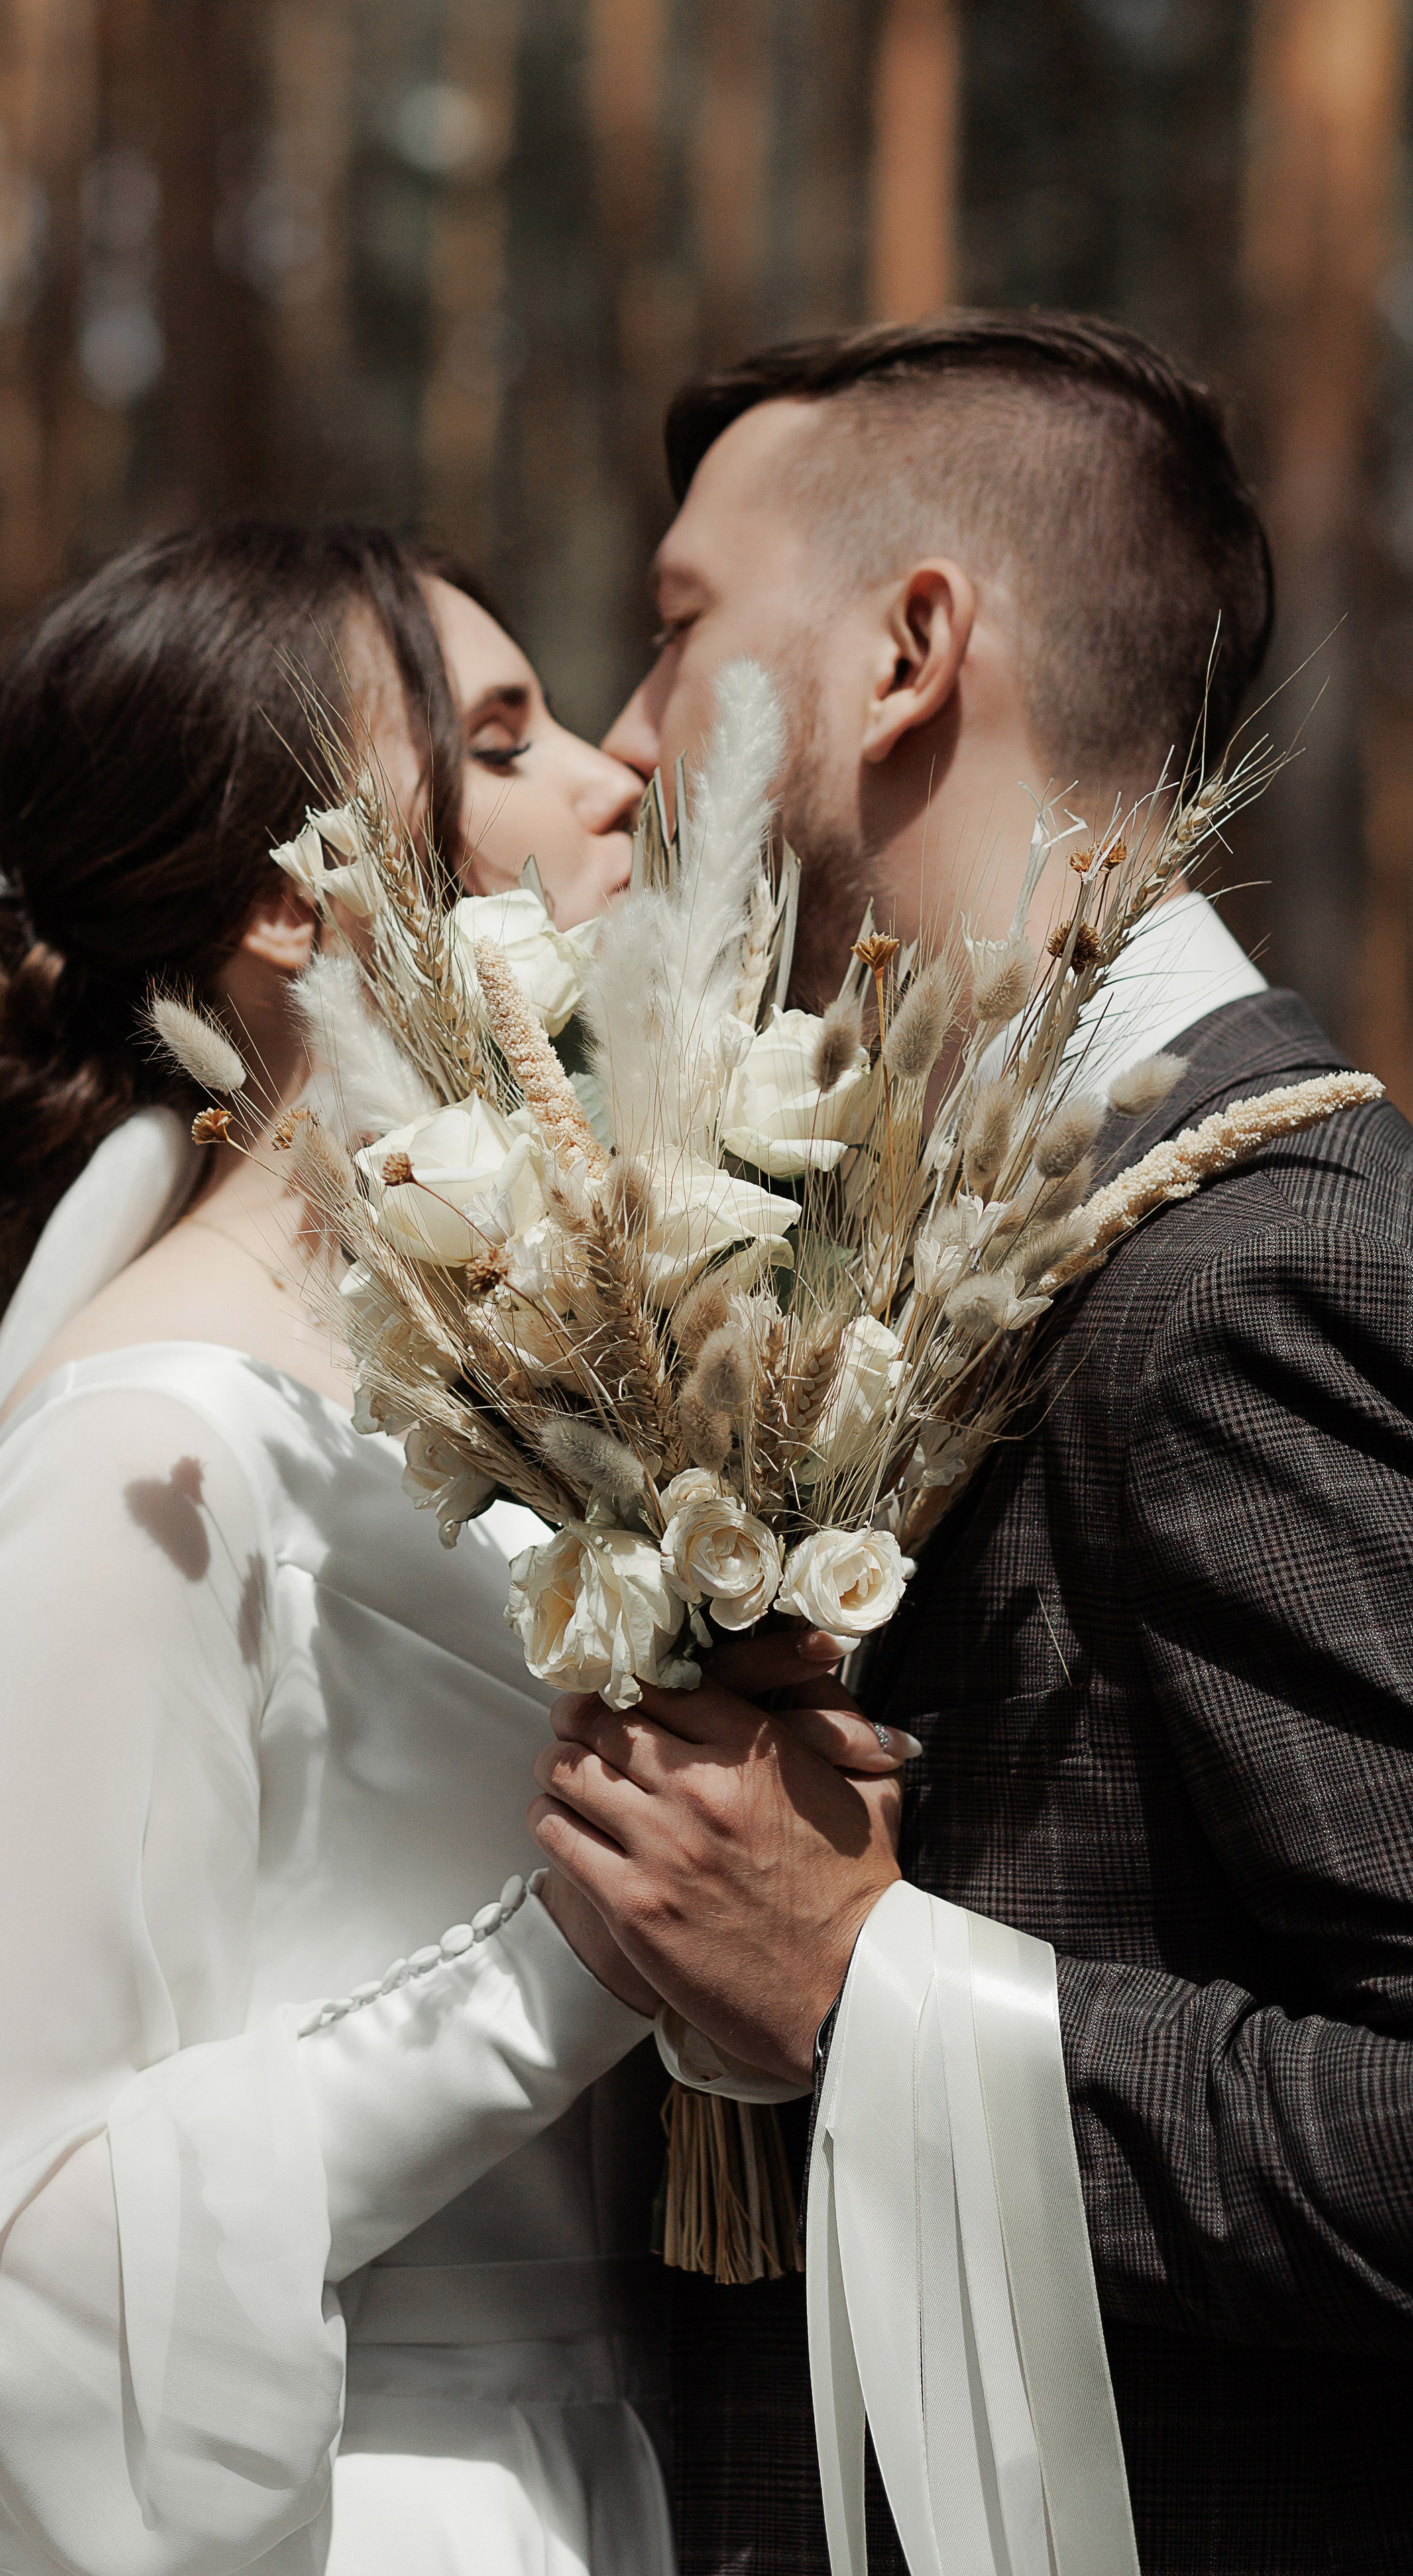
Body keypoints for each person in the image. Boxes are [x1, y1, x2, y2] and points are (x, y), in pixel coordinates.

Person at [0, 517, 876, 2576]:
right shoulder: (147, 1457)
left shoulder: (520, 1382)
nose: (614, 773)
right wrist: (576, 1965)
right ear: (286, 895)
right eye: (496, 742)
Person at [530, 313, 1413, 2574]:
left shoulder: (1253, 1267)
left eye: (679, 628)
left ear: (912, 651)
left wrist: (864, 1987)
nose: (626, 739)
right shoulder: (939, 1249)